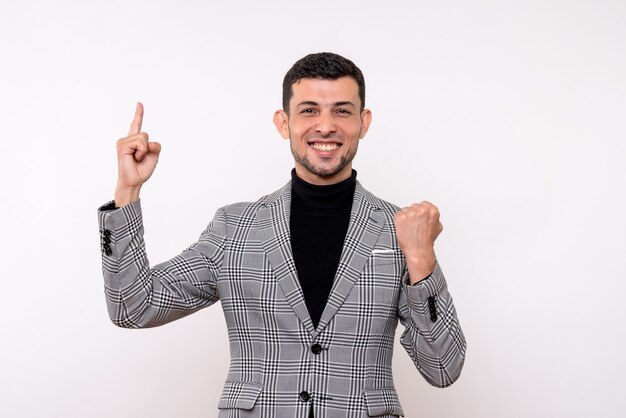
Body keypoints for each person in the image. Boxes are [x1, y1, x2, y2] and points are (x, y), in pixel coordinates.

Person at [98, 52, 466, 418]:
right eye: (309, 110)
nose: (325, 126)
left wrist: (421, 260)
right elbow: (134, 306)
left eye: (341, 110)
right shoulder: (234, 227)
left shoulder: (398, 229)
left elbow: (443, 367)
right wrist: (127, 192)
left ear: (363, 122)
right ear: (283, 122)